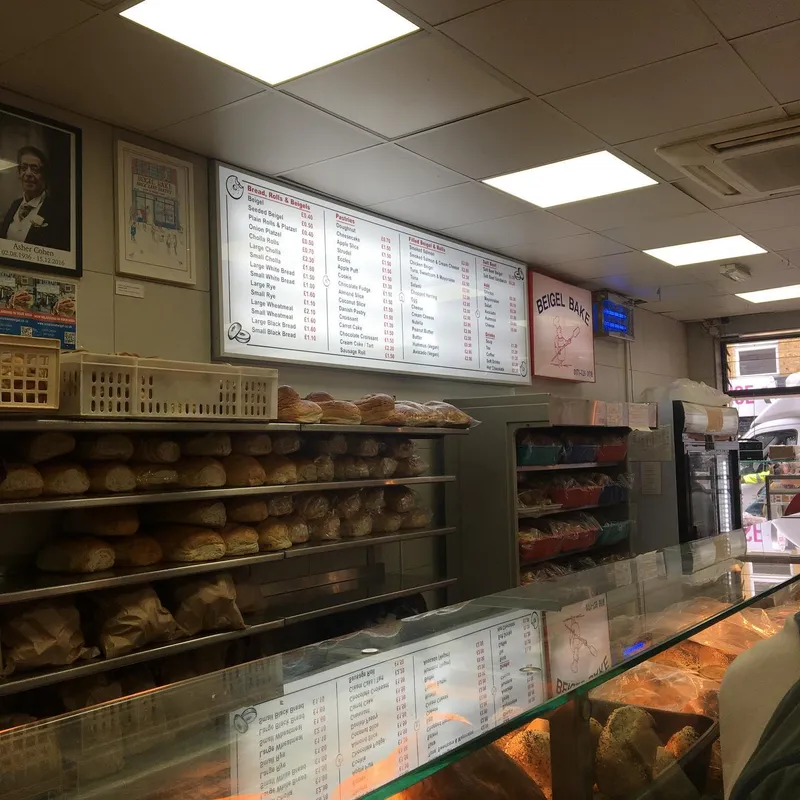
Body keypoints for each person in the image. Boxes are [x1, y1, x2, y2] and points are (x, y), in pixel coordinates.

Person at [0, 145, 70, 250]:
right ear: (19, 173)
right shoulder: (14, 205)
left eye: (34, 169)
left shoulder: (57, 212)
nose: (28, 174)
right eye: (23, 168)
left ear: (45, 175)